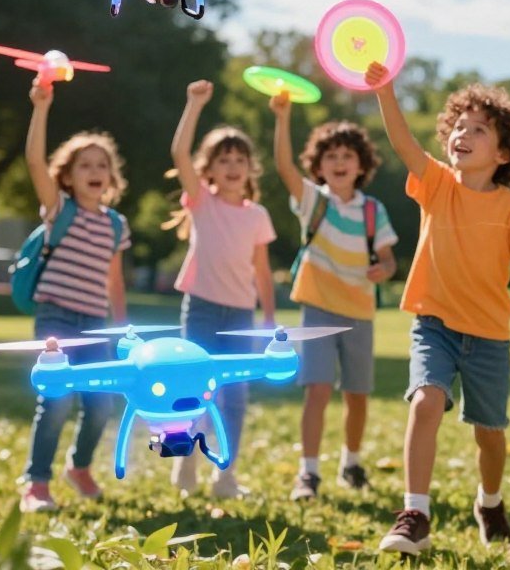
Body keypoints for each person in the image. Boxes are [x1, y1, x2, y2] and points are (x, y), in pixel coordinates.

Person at [365, 60, 510, 555]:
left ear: (504, 153)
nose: (461, 135)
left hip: (490, 336)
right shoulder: (437, 185)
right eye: (458, 127)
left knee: (490, 436)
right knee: (426, 401)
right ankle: (415, 515)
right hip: (434, 323)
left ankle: (489, 501)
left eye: (478, 130)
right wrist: (386, 92)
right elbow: (405, 145)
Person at [270, 95, 398, 500]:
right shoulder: (315, 202)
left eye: (347, 155)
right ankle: (308, 473)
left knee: (357, 393)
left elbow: (390, 260)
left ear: (361, 165)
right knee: (318, 390)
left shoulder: (373, 211)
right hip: (319, 308)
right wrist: (283, 117)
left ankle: (352, 462)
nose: (339, 162)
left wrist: (384, 270)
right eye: (331, 156)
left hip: (360, 311)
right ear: (319, 165)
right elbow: (284, 167)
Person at [20, 79, 131, 513]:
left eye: (101, 163)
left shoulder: (116, 224)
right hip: (56, 318)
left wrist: (123, 333)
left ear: (110, 176)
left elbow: (115, 282)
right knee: (57, 399)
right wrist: (41, 106)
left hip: (96, 323)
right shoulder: (58, 209)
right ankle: (37, 483)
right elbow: (33, 160)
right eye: (84, 163)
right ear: (67, 175)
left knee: (101, 404)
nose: (94, 169)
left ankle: (80, 467)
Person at [167, 80, 277, 499]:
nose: (233, 166)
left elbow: (262, 272)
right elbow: (179, 154)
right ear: (209, 168)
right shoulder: (202, 201)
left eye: (240, 159)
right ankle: (186, 462)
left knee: (234, 399)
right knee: (194, 392)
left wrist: (268, 319)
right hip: (202, 310)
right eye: (224, 159)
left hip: (241, 317)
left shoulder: (258, 215)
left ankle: (224, 475)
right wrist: (194, 104)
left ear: (251, 168)